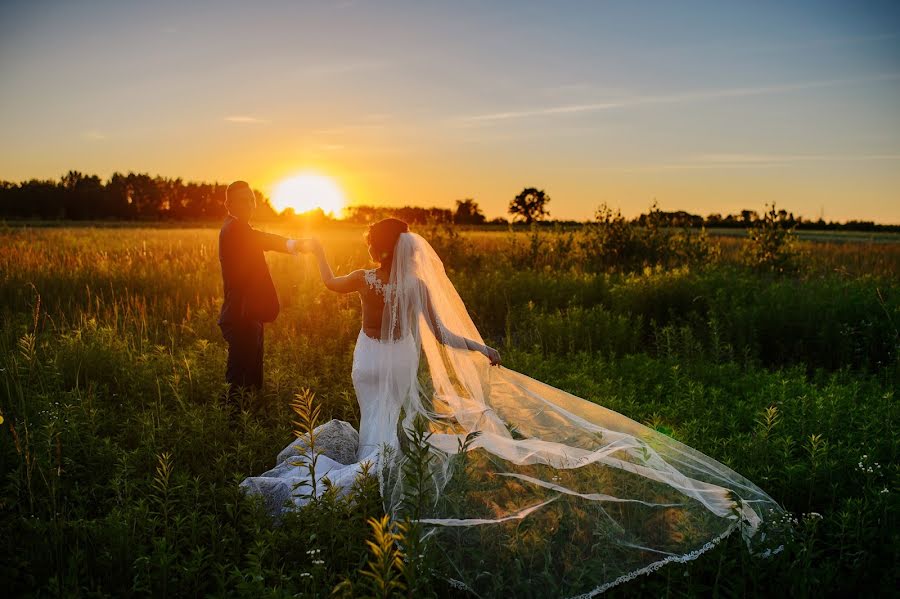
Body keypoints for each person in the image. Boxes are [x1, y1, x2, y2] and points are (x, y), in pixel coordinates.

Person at [241, 218, 794, 597]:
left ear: (375, 248)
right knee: (398, 423)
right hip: (402, 359)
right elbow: (442, 334)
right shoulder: (414, 285)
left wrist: (313, 248)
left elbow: (327, 280)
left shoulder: (362, 280)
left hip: (368, 361)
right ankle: (379, 471)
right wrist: (480, 348)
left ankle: (370, 471)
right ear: (406, 250)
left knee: (375, 420)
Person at [217, 180, 304, 407]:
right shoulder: (234, 229)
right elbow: (263, 239)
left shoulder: (239, 228)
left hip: (249, 313)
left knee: (251, 379)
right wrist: (295, 245)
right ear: (230, 205)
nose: (249, 204)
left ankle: (247, 423)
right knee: (238, 382)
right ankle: (232, 431)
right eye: (242, 200)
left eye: (251, 199)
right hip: (241, 316)